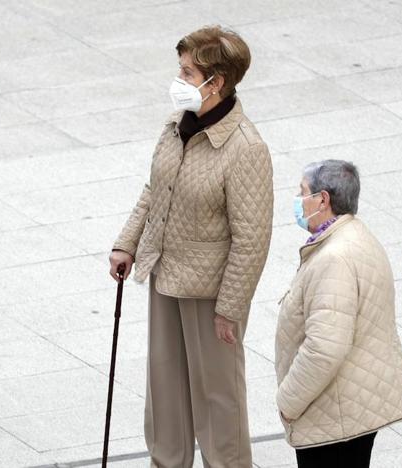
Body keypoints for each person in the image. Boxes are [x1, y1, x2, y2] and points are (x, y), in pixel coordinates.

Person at [109, 25, 273, 468]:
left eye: (186, 71)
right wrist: (127, 243)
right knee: (164, 390)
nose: (178, 80)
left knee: (217, 397)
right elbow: (155, 189)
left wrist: (230, 308)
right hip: (164, 274)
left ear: (215, 82)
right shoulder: (176, 126)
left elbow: (252, 239)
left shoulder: (245, 149)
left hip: (210, 293)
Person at [275, 160, 402, 468]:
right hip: (350, 408)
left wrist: (288, 402)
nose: (298, 201)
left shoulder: (334, 259)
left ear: (322, 200)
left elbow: (323, 349)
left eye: (302, 193)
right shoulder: (356, 237)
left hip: (334, 415)